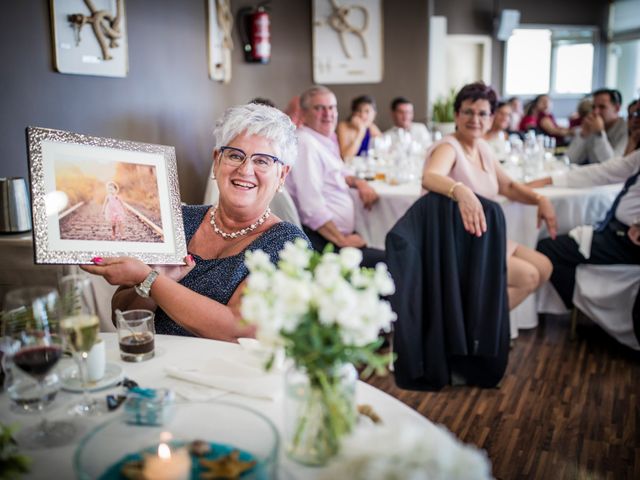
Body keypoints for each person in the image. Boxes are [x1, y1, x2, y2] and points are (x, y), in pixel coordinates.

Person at [82, 103, 308, 341]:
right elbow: (123, 316)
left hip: (220, 375)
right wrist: (151, 284)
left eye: (262, 161)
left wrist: (150, 280)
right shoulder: (177, 220)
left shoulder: (289, 245)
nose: (245, 169)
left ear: (282, 174)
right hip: (155, 364)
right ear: (217, 161)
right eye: (234, 155)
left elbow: (238, 329)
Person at [422, 82, 557, 311]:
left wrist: (540, 199)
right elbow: (430, 176)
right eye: (468, 112)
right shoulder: (448, 147)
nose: (475, 119)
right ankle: (472, 331)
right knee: (528, 276)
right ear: (456, 114)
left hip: (484, 236)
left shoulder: (482, 147)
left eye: (482, 113)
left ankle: (477, 323)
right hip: (457, 241)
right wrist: (460, 190)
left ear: (492, 117)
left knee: (544, 267)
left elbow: (509, 187)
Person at [286, 85, 384, 267]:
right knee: (393, 260)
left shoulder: (324, 140)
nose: (328, 113)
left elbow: (341, 171)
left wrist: (359, 182)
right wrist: (342, 241)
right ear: (304, 113)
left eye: (332, 107)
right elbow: (311, 207)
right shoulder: (306, 144)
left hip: (336, 234)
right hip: (323, 241)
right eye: (319, 108)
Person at [534, 150, 640, 308]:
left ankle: (588, 308)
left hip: (629, 241)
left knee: (548, 249)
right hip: (614, 230)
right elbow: (605, 172)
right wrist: (551, 180)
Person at [566, 89, 627, 164]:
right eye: (594, 107)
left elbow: (611, 166)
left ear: (617, 108)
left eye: (602, 107)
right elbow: (569, 160)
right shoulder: (592, 125)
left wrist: (599, 134)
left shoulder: (626, 130)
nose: (595, 112)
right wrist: (583, 135)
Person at [336, 94, 382, 160]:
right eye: (359, 111)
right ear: (353, 113)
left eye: (367, 111)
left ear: (374, 114)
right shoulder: (343, 126)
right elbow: (346, 157)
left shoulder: (371, 127)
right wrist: (361, 131)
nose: (362, 115)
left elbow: (386, 150)